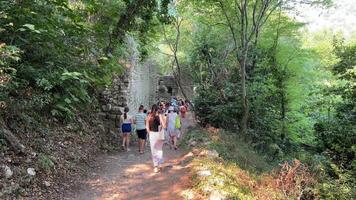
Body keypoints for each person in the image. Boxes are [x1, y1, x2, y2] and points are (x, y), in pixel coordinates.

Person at [146, 104, 164, 173]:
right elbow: (163, 126)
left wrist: (149, 133)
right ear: (157, 109)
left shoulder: (149, 116)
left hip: (152, 134)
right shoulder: (159, 116)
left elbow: (147, 127)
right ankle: (159, 164)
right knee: (159, 150)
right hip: (159, 134)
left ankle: (156, 166)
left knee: (153, 150)